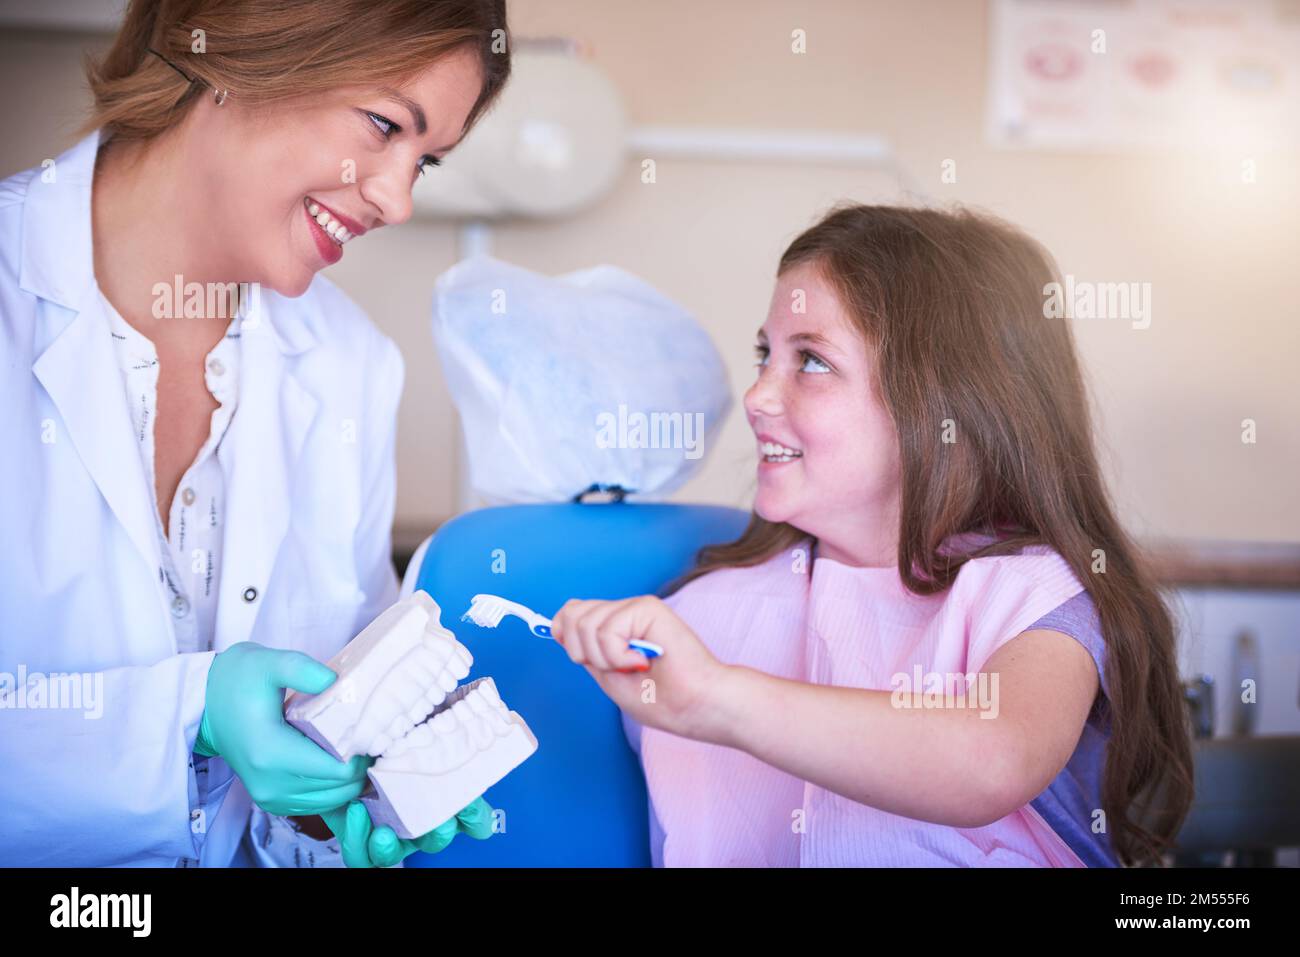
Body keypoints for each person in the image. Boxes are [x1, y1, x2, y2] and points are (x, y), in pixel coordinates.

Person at [0, 0, 510, 867]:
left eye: (424, 162)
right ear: (245, 48)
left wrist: (336, 798)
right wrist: (188, 715)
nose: (395, 198)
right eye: (384, 125)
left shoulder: (352, 366)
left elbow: (318, 715)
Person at [551, 204, 1195, 867]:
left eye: (812, 361)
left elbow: (994, 760)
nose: (757, 395)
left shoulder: (1031, 593)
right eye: (766, 354)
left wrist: (717, 698)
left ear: (946, 402)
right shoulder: (702, 612)